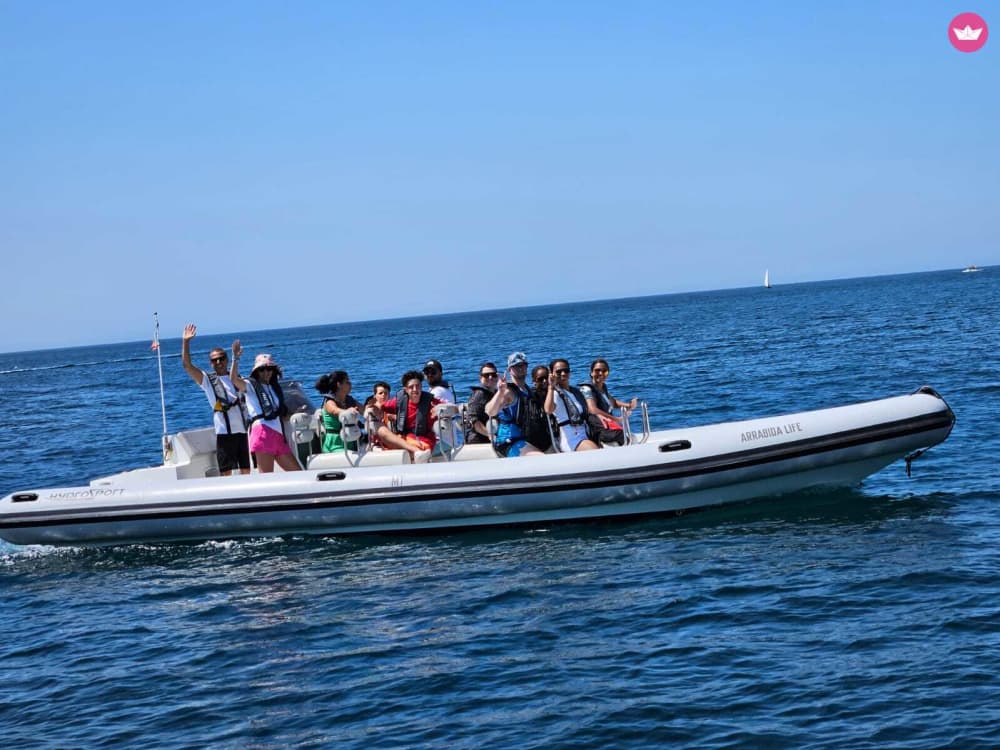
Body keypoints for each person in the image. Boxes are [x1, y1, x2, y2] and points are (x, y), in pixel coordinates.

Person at [180, 324, 251, 475]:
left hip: (242, 432)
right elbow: (187, 366)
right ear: (211, 363)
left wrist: (236, 358)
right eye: (215, 360)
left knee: (246, 471)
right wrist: (186, 342)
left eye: (221, 359)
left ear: (227, 360)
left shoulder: (237, 378)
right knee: (226, 473)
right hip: (224, 434)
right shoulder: (208, 380)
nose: (218, 362)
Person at [230, 343, 301, 473]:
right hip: (262, 433)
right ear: (256, 371)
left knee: (298, 473)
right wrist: (235, 358)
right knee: (267, 478)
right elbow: (234, 379)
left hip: (279, 435)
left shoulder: (274, 388)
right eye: (262, 369)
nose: (266, 372)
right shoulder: (250, 386)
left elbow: (278, 411)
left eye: (269, 369)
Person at [370, 370, 443, 461]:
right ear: (406, 389)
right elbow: (381, 407)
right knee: (380, 429)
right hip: (403, 438)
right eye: (411, 387)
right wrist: (374, 408)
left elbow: (449, 407)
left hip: (423, 439)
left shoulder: (431, 402)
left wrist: (448, 409)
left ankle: (417, 454)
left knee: (418, 446)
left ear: (421, 386)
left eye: (418, 386)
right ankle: (414, 452)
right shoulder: (399, 401)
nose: (415, 390)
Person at [484, 352, 545, 457]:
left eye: (523, 365)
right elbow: (490, 411)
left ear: (527, 367)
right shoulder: (508, 392)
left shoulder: (528, 390)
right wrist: (500, 392)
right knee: (540, 458)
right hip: (509, 441)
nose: (520, 368)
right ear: (509, 370)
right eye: (516, 366)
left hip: (526, 439)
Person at [545, 358, 599, 452]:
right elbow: (548, 410)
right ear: (552, 374)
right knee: (594, 450)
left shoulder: (575, 392)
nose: (563, 374)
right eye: (558, 372)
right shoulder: (555, 394)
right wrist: (550, 387)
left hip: (584, 432)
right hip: (571, 438)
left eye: (566, 370)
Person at [315, 370, 362, 453]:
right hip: (334, 444)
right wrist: (347, 411)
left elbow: (364, 409)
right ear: (339, 384)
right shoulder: (329, 402)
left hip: (351, 442)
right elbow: (335, 410)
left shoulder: (350, 400)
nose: (350, 384)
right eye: (347, 382)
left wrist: (372, 408)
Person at [579, 358, 638, 422]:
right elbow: (592, 409)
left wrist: (629, 406)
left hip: (607, 424)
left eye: (604, 371)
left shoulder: (602, 388)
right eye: (597, 370)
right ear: (591, 373)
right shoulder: (586, 389)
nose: (601, 373)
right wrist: (616, 419)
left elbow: (613, 402)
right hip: (596, 426)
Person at [464, 361, 499, 444]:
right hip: (478, 440)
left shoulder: (497, 393)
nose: (490, 377)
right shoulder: (479, 394)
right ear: (480, 378)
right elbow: (472, 419)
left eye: (493, 375)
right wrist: (489, 435)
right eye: (486, 375)